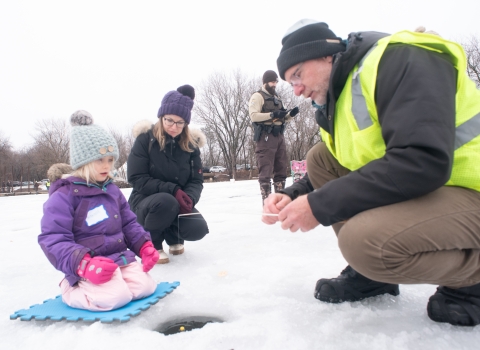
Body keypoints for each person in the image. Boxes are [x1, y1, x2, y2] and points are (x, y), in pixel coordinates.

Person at [262, 19, 480, 326]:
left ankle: (470, 282)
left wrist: (318, 206)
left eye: (297, 74)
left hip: (470, 188)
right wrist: (293, 193)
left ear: (327, 54)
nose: (296, 90)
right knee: (321, 157)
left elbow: (423, 160)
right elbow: (346, 160)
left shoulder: (400, 59)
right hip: (441, 188)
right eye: (289, 81)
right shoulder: (339, 98)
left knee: (364, 243)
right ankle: (372, 278)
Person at [38, 110, 159, 311]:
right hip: (88, 266)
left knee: (145, 287)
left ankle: (115, 282)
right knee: (114, 298)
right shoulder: (65, 195)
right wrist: (83, 265)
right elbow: (53, 238)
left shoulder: (111, 190)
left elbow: (128, 223)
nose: (107, 166)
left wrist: (144, 246)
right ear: (83, 161)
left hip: (118, 259)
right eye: (100, 160)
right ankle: (70, 289)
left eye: (110, 160)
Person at [127, 85, 209, 264]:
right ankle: (152, 242)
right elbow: (136, 177)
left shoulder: (191, 145)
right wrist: (173, 190)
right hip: (145, 202)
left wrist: (189, 198)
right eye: (169, 120)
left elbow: (196, 179)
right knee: (167, 201)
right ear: (161, 117)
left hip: (174, 201)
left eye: (180, 123)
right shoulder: (145, 139)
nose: (174, 126)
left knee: (198, 228)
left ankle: (174, 237)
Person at [249, 70, 299, 204]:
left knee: (281, 169)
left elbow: (282, 118)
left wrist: (290, 115)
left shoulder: (277, 97)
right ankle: (267, 203)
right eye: (272, 82)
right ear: (265, 82)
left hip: (279, 136)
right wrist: (272, 115)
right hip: (265, 136)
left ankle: (280, 201)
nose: (275, 85)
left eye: (276, 82)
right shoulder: (257, 96)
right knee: (265, 170)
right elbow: (254, 116)